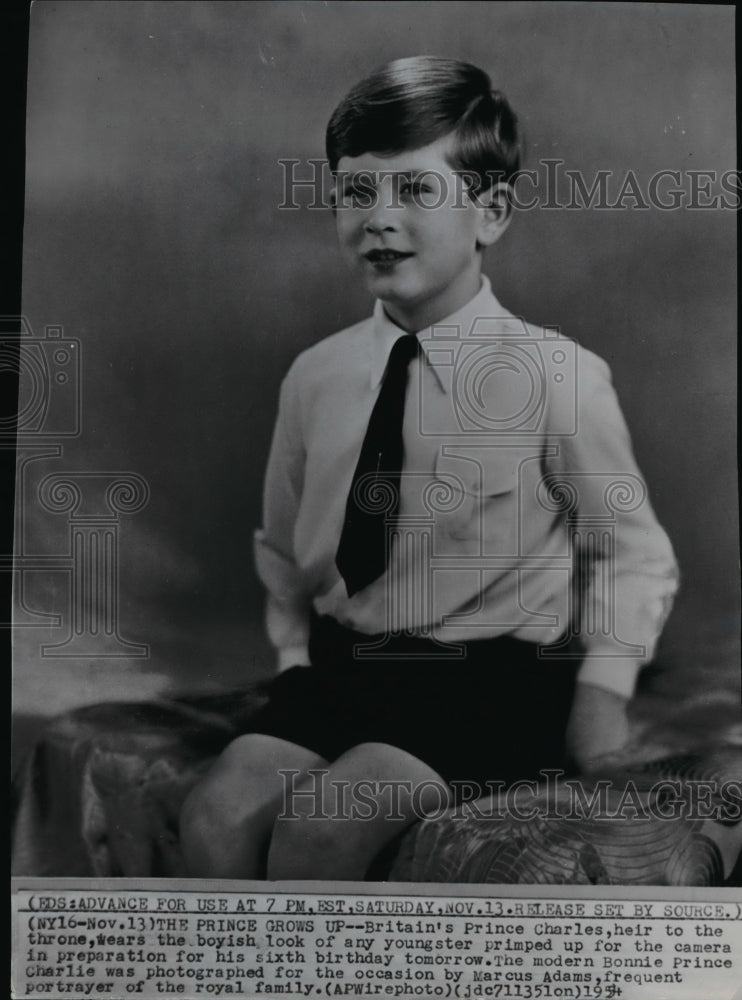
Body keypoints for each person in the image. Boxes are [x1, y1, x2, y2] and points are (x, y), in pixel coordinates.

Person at [179, 56, 679, 880]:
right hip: (349, 664)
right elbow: (284, 543)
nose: (377, 219)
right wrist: (298, 662)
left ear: (491, 213)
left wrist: (600, 708)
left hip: (485, 680)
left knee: (321, 829)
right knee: (217, 811)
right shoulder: (318, 375)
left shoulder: (557, 377)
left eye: (414, 192)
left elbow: (634, 552)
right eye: (355, 192)